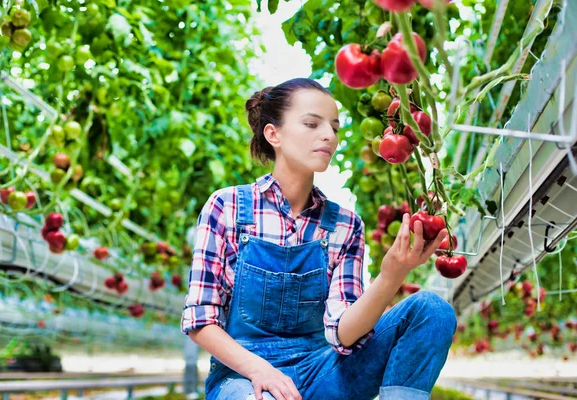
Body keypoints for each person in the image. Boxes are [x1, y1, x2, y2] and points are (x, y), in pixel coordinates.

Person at [181, 78, 457, 400]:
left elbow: (344, 334)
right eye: (312, 124)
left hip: (320, 373)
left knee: (432, 311)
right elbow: (200, 319)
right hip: (242, 378)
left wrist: (391, 276)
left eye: (334, 127)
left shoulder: (344, 225)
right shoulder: (226, 207)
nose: (329, 135)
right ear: (274, 134)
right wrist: (261, 370)